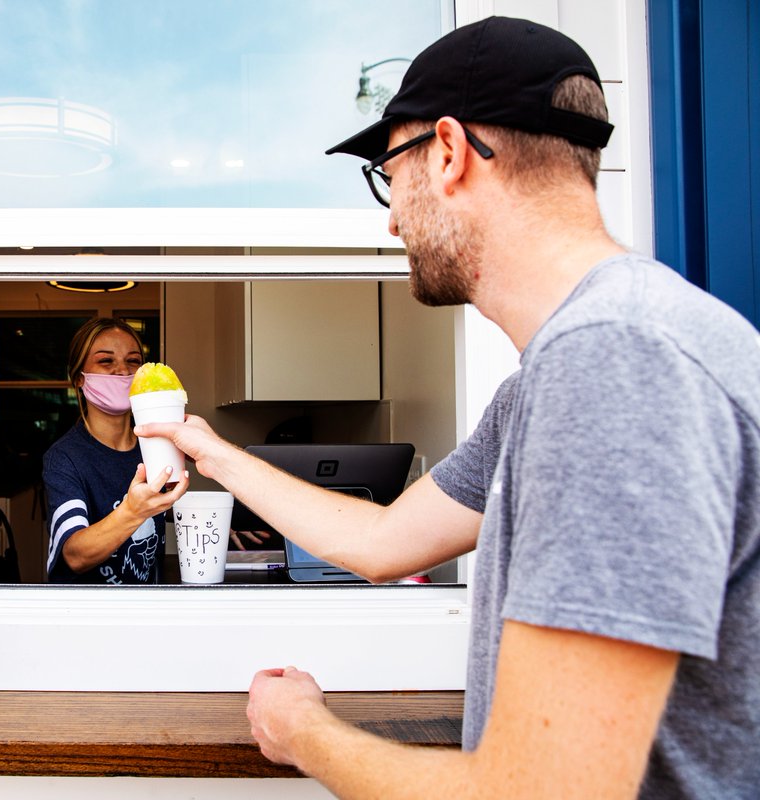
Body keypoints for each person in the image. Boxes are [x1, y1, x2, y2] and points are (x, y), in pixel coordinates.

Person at [137, 16, 760, 799]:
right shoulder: (557, 374)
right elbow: (383, 540)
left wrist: (303, 733)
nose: (392, 217)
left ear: (451, 152)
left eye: (389, 176)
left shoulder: (616, 362)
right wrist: (208, 450)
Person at [42, 317, 189, 584]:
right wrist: (133, 511)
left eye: (133, 361)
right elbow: (75, 555)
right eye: (106, 361)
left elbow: (163, 506)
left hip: (145, 612)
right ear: (78, 378)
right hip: (87, 616)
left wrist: (207, 520)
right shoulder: (64, 458)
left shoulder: (156, 446)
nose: (123, 371)